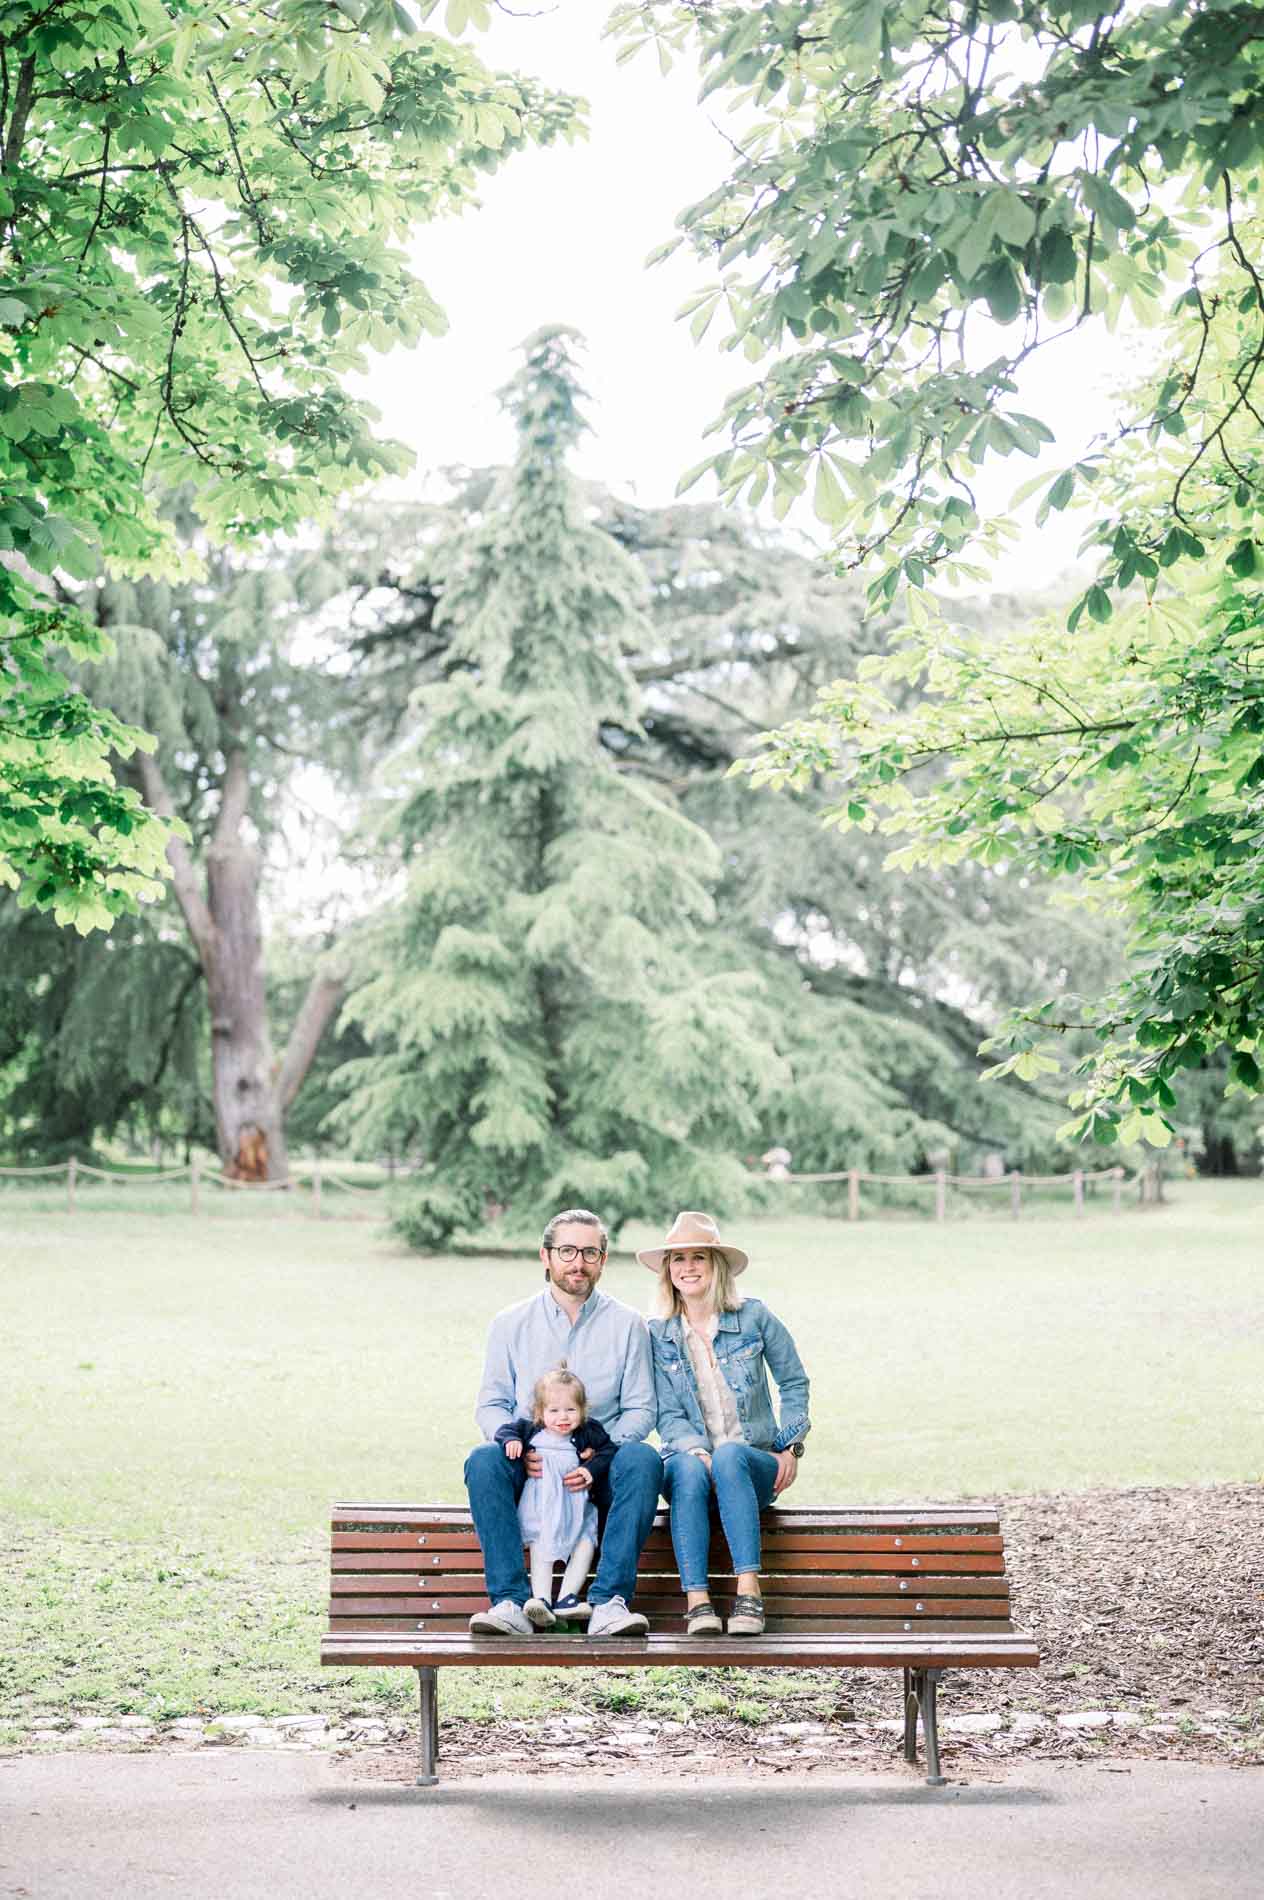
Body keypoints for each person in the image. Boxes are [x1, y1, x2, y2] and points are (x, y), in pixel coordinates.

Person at [466, 1207, 662, 1637]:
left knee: (644, 1460)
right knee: (482, 1461)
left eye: (590, 1252)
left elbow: (641, 1409)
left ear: (603, 1260)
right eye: (568, 1250)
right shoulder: (509, 1324)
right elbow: (492, 1405)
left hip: (600, 1467)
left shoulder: (629, 1325)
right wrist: (517, 1446)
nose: (578, 1262)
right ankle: (511, 1604)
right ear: (546, 1256)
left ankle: (609, 1603)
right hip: (529, 1463)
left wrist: (596, 1458)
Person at [641, 1211, 810, 1639]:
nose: (688, 1267)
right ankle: (697, 1603)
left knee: (732, 1454)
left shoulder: (753, 1317)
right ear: (668, 1271)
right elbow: (666, 1412)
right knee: (685, 1467)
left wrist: (789, 1447)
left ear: (716, 1265)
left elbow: (793, 1381)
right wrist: (695, 1450)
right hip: (693, 1466)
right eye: (677, 1259)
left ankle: (748, 1595)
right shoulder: (657, 1334)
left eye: (699, 1256)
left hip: (753, 1462)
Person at [494, 1365, 614, 1624]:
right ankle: (541, 1600)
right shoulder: (530, 1430)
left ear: (582, 1410)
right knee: (542, 1545)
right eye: (554, 1410)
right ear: (539, 1412)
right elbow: (504, 1431)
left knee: (585, 1544)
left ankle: (568, 1598)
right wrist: (511, 1443)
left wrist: (591, 1468)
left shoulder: (588, 1432)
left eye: (571, 1410)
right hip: (543, 1506)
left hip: (577, 1506)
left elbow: (608, 1450)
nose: (563, 1417)